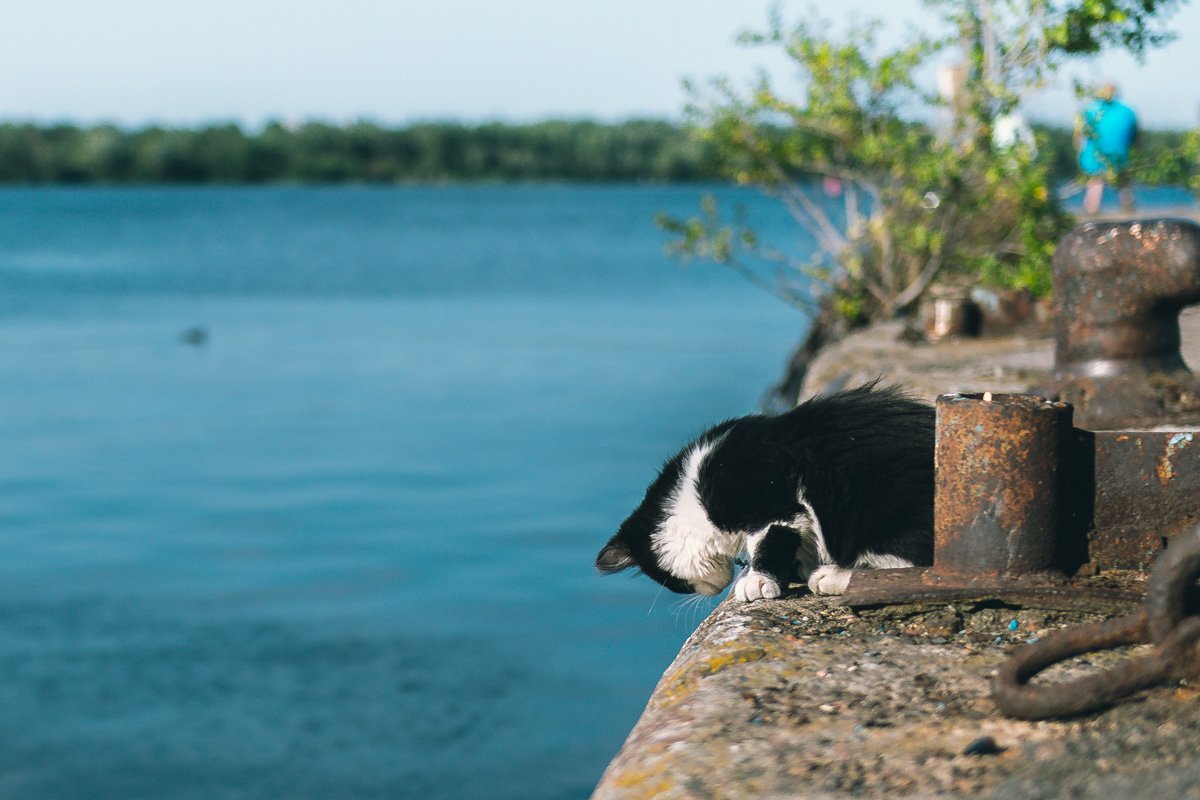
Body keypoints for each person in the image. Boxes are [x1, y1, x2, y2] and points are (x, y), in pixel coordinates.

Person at [1075, 82, 1138, 214]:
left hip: (1094, 157)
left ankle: (1092, 207)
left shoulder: (1089, 111)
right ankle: (1128, 208)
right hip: (1120, 156)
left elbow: (1078, 136)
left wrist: (1079, 153)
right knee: (1123, 180)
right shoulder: (1128, 112)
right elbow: (1135, 138)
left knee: (1096, 180)